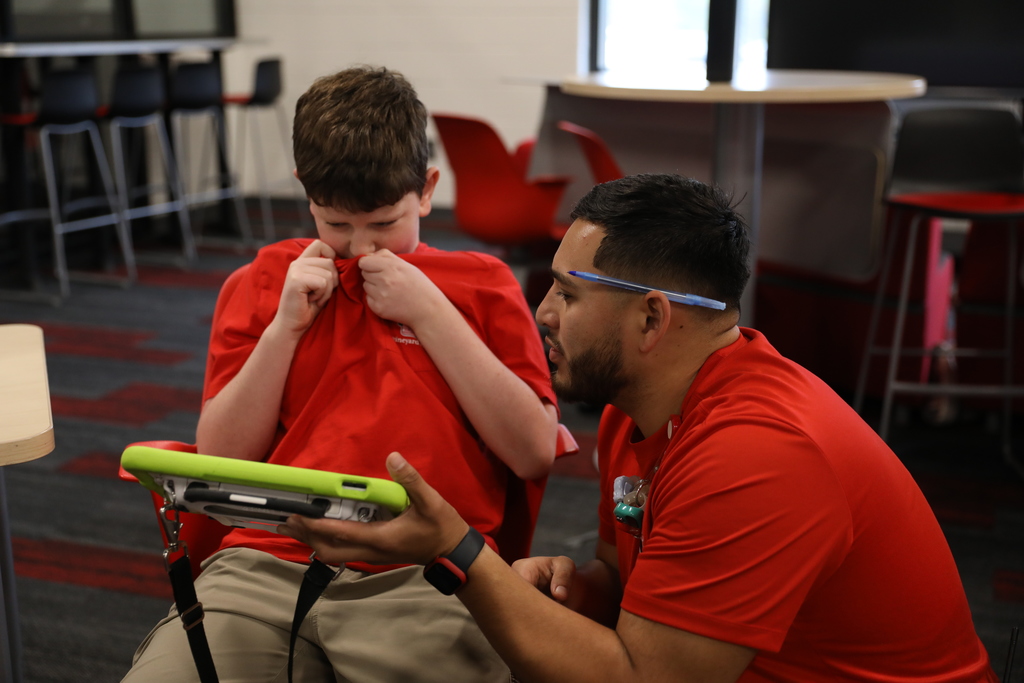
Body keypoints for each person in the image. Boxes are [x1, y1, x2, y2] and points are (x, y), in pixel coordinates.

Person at [282, 173, 999, 682]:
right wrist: (580, 588)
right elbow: (624, 583)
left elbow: (640, 678)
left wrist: (457, 551)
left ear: (652, 317)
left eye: (568, 294)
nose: (542, 313)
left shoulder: (758, 454)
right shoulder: (634, 410)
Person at [121, 66, 559, 683]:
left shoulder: (483, 284)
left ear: (427, 190)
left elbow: (533, 451)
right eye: (335, 224)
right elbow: (222, 456)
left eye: (383, 224)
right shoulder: (266, 282)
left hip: (427, 575)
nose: (360, 248)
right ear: (306, 194)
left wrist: (431, 312)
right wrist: (283, 331)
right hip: (268, 562)